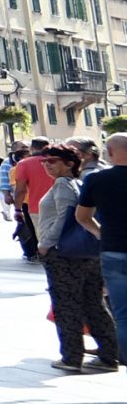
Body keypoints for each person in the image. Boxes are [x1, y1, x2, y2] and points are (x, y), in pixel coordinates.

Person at [35, 148, 119, 373]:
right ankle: (109, 356)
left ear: (70, 164)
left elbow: (65, 216)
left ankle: (71, 357)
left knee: (66, 305)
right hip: (87, 253)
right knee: (93, 304)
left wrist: (46, 243)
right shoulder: (80, 184)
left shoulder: (63, 184)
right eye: (44, 161)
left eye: (53, 160)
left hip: (63, 253)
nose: (47, 164)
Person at [72, 134, 127, 363]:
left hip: (113, 249)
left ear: (111, 152)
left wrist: (99, 232)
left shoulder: (97, 179)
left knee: (123, 316)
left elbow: (82, 216)